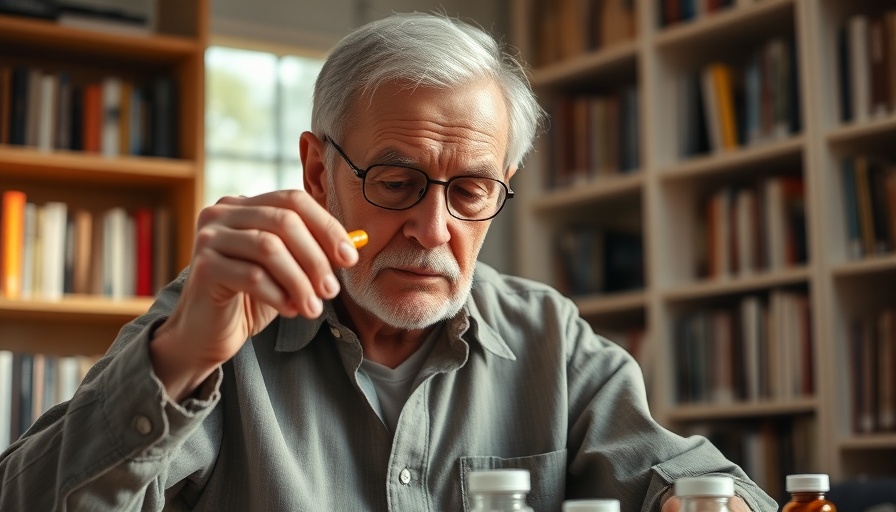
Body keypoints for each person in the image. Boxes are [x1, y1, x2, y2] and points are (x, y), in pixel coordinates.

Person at [0, 12, 778, 512]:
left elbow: (687, 475)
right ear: (317, 173)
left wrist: (700, 505)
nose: (431, 228)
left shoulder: (548, 335)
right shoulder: (219, 318)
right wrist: (175, 362)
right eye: (397, 182)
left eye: (471, 189)